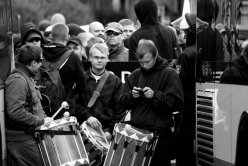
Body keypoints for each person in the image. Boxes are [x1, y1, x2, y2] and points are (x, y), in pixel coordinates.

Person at [119, 39, 184, 166]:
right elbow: (121, 102)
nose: (144, 65)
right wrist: (132, 97)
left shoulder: (169, 73)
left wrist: (155, 95)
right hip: (137, 134)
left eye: (147, 62)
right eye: (141, 62)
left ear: (156, 56)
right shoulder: (135, 75)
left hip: (160, 136)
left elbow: (177, 103)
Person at [4, 44, 53, 166]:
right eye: (40, 61)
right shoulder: (17, 80)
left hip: (28, 136)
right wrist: (39, 122)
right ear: (33, 62)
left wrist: (45, 119)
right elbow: (15, 111)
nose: (41, 65)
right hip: (21, 139)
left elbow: (35, 106)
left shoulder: (27, 77)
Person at [76, 43, 124, 140]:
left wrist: (111, 131)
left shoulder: (115, 81)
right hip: (84, 130)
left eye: (102, 57)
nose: (99, 60)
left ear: (107, 59)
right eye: (96, 57)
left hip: (106, 132)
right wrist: (88, 116)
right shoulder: (81, 79)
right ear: (90, 58)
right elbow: (74, 104)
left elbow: (119, 110)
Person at [42, 23, 87, 117]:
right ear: (68, 37)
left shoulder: (40, 53)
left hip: (42, 106)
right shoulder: (72, 56)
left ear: (51, 36)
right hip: (64, 108)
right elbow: (82, 85)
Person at [175, 13, 197, 166]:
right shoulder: (208, 48)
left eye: (184, 32)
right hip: (204, 104)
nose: (181, 35)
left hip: (188, 109)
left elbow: (180, 84)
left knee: (184, 148)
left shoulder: (187, 54)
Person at [128, 0, 178, 65]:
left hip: (146, 74)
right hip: (169, 73)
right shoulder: (170, 32)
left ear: (139, 13)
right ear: (156, 11)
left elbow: (132, 66)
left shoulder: (135, 36)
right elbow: (177, 59)